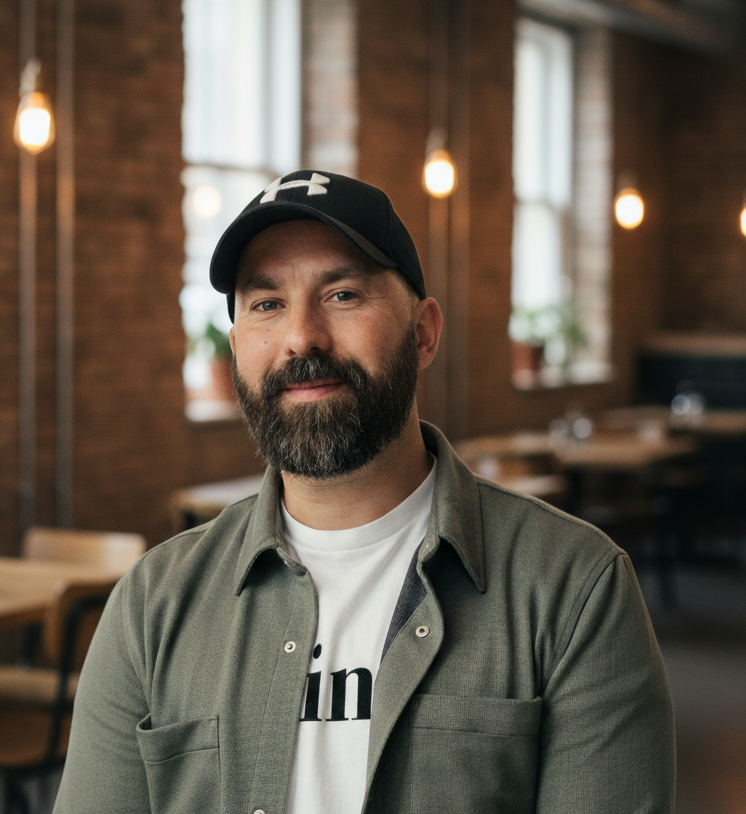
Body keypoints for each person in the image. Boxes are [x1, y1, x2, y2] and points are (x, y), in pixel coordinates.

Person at [54, 170, 675, 814]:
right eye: (266, 304)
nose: (302, 337)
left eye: (343, 295)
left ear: (423, 332)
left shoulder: (574, 590)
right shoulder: (153, 607)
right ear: (237, 348)